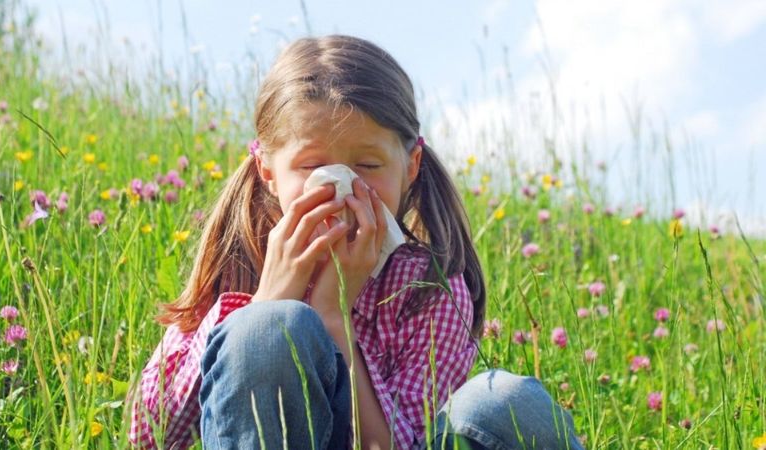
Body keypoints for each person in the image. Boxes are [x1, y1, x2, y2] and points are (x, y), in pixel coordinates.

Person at [127, 34, 582, 450]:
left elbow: (397, 446)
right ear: (267, 169)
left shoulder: (427, 289)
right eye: (311, 167)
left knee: (499, 402)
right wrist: (267, 301)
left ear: (411, 165)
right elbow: (151, 435)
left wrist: (332, 314)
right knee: (267, 331)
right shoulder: (241, 261)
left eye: (367, 165)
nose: (342, 186)